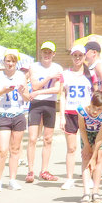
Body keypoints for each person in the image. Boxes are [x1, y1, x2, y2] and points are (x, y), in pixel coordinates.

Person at [0, 50, 30, 192]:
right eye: (8, 61)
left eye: (13, 61)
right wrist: (2, 91)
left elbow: (27, 98)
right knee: (2, 150)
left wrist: (22, 92)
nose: (10, 64)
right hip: (3, 114)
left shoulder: (21, 76)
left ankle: (12, 179)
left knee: (15, 149)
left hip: (18, 114)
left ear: (16, 62)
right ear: (4, 61)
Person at [25, 41, 63, 183]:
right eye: (44, 52)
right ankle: (30, 171)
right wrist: (48, 78)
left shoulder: (58, 68)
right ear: (41, 53)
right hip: (35, 104)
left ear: (53, 54)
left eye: (49, 52)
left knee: (48, 139)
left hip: (50, 103)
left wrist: (39, 91)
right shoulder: (34, 66)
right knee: (32, 138)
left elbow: (56, 89)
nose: (47, 55)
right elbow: (34, 85)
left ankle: (44, 170)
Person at [60, 44, 92, 190]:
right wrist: (61, 116)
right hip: (70, 113)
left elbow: (94, 95)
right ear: (71, 56)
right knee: (71, 148)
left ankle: (88, 177)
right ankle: (69, 178)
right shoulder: (65, 74)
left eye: (80, 55)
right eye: (75, 55)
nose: (77, 58)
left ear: (84, 57)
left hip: (85, 114)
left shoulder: (90, 74)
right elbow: (62, 95)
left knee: (87, 147)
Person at [78, 90, 102, 203]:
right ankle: (86, 192)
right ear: (90, 103)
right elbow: (81, 128)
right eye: (93, 107)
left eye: (99, 109)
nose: (95, 111)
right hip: (86, 133)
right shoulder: (82, 110)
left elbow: (100, 137)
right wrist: (86, 146)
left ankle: (95, 191)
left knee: (98, 161)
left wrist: (94, 155)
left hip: (99, 135)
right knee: (86, 159)